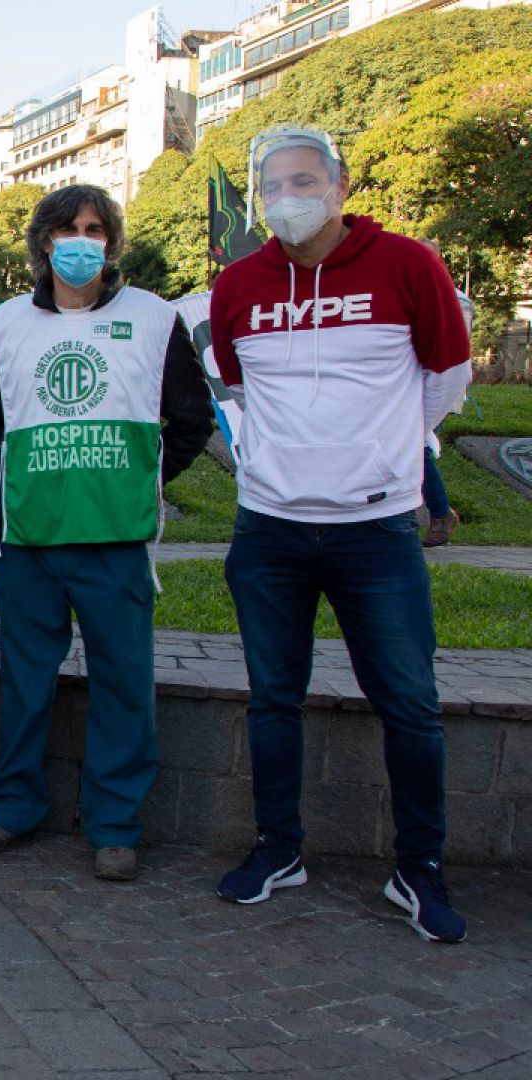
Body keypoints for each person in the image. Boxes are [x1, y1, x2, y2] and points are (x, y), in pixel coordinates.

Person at [209, 125, 473, 942]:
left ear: (341, 184)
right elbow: (237, 388)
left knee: (410, 705)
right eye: (272, 185)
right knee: (272, 699)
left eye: (302, 180)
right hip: (272, 530)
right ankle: (278, 850)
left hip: (375, 532)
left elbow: (449, 377)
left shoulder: (408, 266)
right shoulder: (239, 284)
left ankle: (418, 870)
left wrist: (387, 460)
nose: (286, 197)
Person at [0, 185, 213, 881]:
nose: (81, 239)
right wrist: (22, 481)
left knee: (123, 684)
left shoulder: (155, 318)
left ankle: (115, 826)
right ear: (43, 241)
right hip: (29, 540)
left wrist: (141, 479)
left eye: (95, 228)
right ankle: (12, 809)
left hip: (115, 537)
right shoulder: (7, 320)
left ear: (112, 241)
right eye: (68, 227)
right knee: (25, 684)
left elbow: (191, 421)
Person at [418, 240, 476, 549]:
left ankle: (441, 514)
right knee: (416, 450)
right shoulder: (420, 293)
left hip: (438, 387)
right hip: (416, 387)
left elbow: (455, 350)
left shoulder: (455, 299)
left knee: (416, 448)